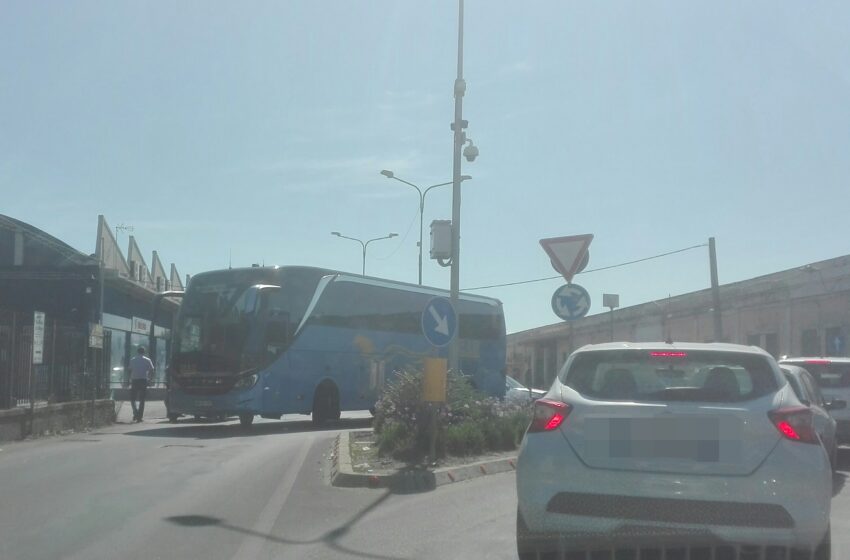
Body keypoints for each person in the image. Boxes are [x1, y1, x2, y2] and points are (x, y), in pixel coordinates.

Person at [128, 346, 155, 422]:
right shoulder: (147, 360)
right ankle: (140, 416)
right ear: (144, 352)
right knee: (142, 399)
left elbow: (129, 370)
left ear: (137, 352)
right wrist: (150, 379)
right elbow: (152, 370)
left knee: (133, 398)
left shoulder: (132, 360)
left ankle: (135, 412)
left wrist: (130, 378)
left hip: (135, 380)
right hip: (143, 380)